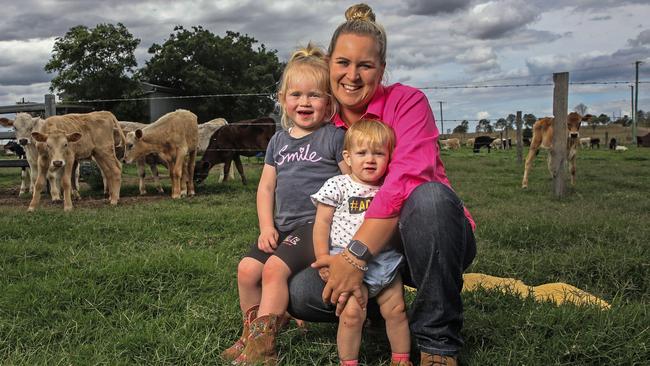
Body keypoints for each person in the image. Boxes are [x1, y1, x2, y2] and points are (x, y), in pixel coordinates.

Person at [288, 4, 477, 366]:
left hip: (423, 236)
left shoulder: (408, 102)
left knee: (431, 197)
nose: (352, 76)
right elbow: (299, 190)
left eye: (365, 66)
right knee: (301, 293)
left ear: (382, 69)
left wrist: (354, 256)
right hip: (358, 249)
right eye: (343, 63)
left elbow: (407, 180)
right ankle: (379, 312)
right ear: (329, 64)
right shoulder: (324, 125)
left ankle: (437, 340)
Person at [223, 43, 349, 365]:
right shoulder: (278, 141)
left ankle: (262, 350)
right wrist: (267, 226)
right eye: (296, 94)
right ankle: (249, 335)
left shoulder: (333, 138)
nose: (304, 102)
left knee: (274, 270)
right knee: (247, 269)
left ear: (329, 102)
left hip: (316, 226)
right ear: (283, 99)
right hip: (282, 226)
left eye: (314, 95)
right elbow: (266, 188)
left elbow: (351, 184)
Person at [311, 119, 411, 366]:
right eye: (362, 153)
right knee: (352, 314)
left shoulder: (389, 187)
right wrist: (323, 258)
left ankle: (401, 358)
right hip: (346, 261)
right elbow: (321, 223)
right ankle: (349, 362)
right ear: (347, 156)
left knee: (397, 311)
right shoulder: (338, 185)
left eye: (379, 153)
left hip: (385, 260)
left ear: (389, 157)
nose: (370, 159)